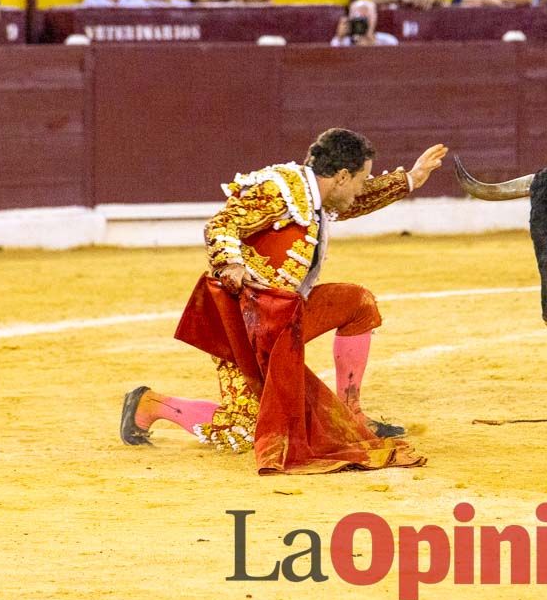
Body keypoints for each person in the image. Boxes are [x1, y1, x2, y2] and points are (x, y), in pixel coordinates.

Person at [119, 129, 446, 475]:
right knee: (244, 430)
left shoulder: (316, 195)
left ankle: (350, 412)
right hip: (245, 324)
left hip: (286, 313)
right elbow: (221, 224)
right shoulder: (278, 189)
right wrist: (231, 263)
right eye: (360, 179)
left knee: (357, 302)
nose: (360, 188)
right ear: (341, 176)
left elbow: (354, 201)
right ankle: (150, 405)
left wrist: (410, 179)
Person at [330, 0, 398, 45]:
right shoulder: (344, 42)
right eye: (358, 17)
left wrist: (373, 43)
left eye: (367, 17)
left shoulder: (388, 41)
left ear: (375, 18)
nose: (362, 22)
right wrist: (339, 37)